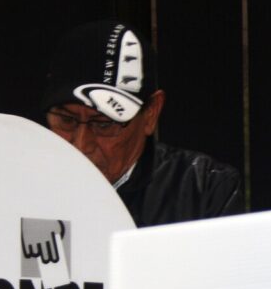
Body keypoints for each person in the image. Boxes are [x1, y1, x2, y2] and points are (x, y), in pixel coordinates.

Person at [41, 19, 243, 227]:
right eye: (66, 120)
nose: (82, 145)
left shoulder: (202, 190)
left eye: (103, 124)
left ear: (151, 113)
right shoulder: (27, 181)